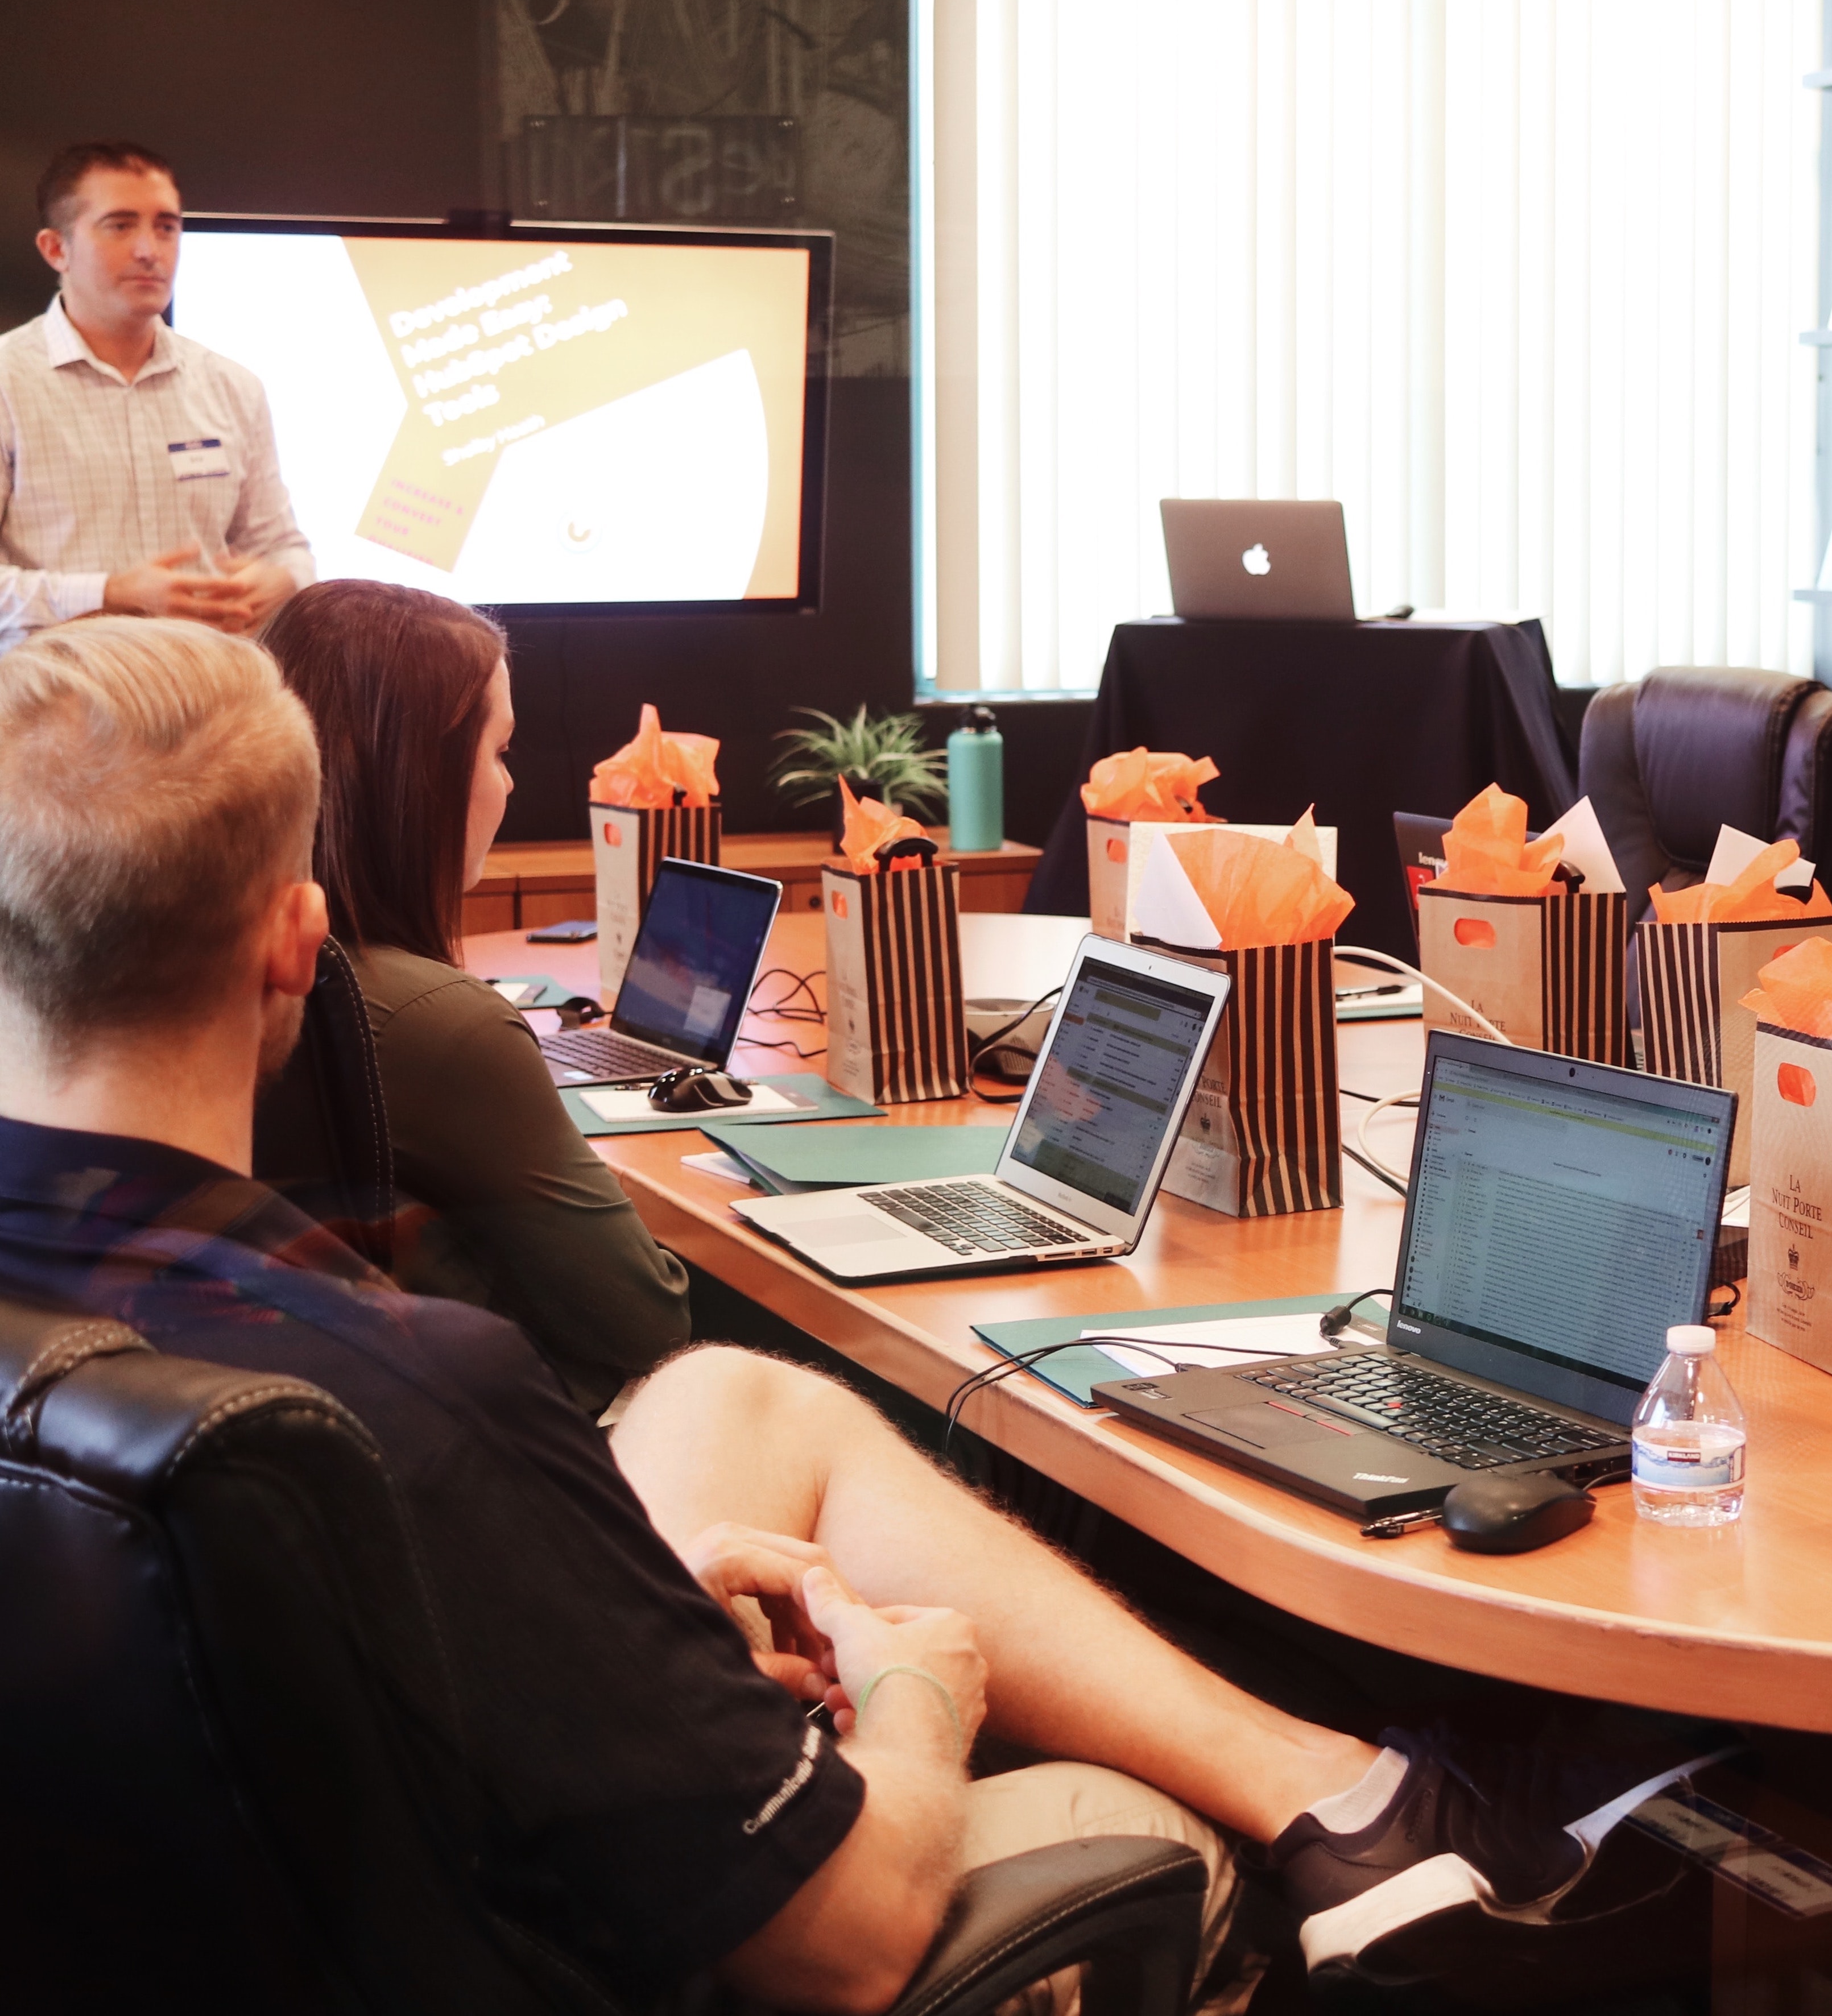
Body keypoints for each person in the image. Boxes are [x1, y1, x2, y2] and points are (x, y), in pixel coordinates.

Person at [0, 615, 1632, 2008]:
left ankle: (1341, 1784)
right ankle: (1337, 1807)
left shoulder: (188, 1350)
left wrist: (616, 1592)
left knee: (737, 1399)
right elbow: (841, 1942)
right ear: (296, 946)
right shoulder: (429, 1395)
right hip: (590, 1945)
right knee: (1129, 1818)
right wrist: (925, 1685)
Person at [257, 579, 688, 1414]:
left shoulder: (232, 971)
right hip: (506, 1450)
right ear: (416, 777)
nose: (509, 787)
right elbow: (651, 1325)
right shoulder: (441, 1025)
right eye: (499, 753)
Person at [0, 140, 313, 650]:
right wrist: (112, 594)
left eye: (166, 227)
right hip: (59, 709)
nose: (150, 250)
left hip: (216, 700)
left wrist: (283, 579)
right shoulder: (7, 382)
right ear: (56, 249)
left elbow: (285, 549)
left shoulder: (232, 385)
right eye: (120, 225)